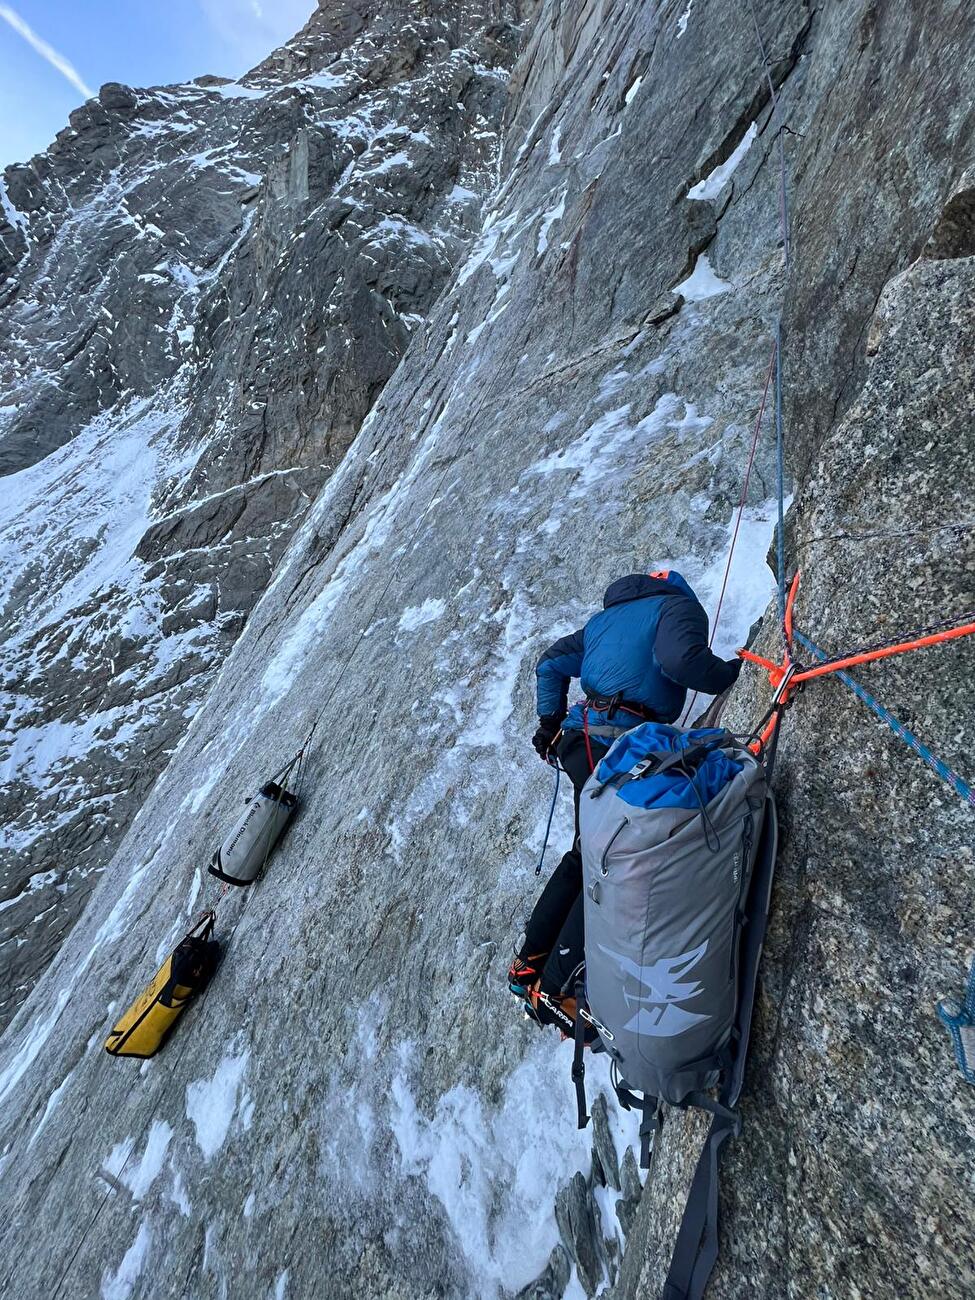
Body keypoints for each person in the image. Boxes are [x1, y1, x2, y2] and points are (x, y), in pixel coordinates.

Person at [508, 569, 742, 1026]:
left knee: (586, 854)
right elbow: (682, 661)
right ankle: (559, 988)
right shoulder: (676, 606)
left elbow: (550, 662)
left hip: (580, 739)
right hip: (618, 745)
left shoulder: (602, 622)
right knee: (606, 862)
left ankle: (528, 966)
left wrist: (549, 722)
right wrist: (735, 673)